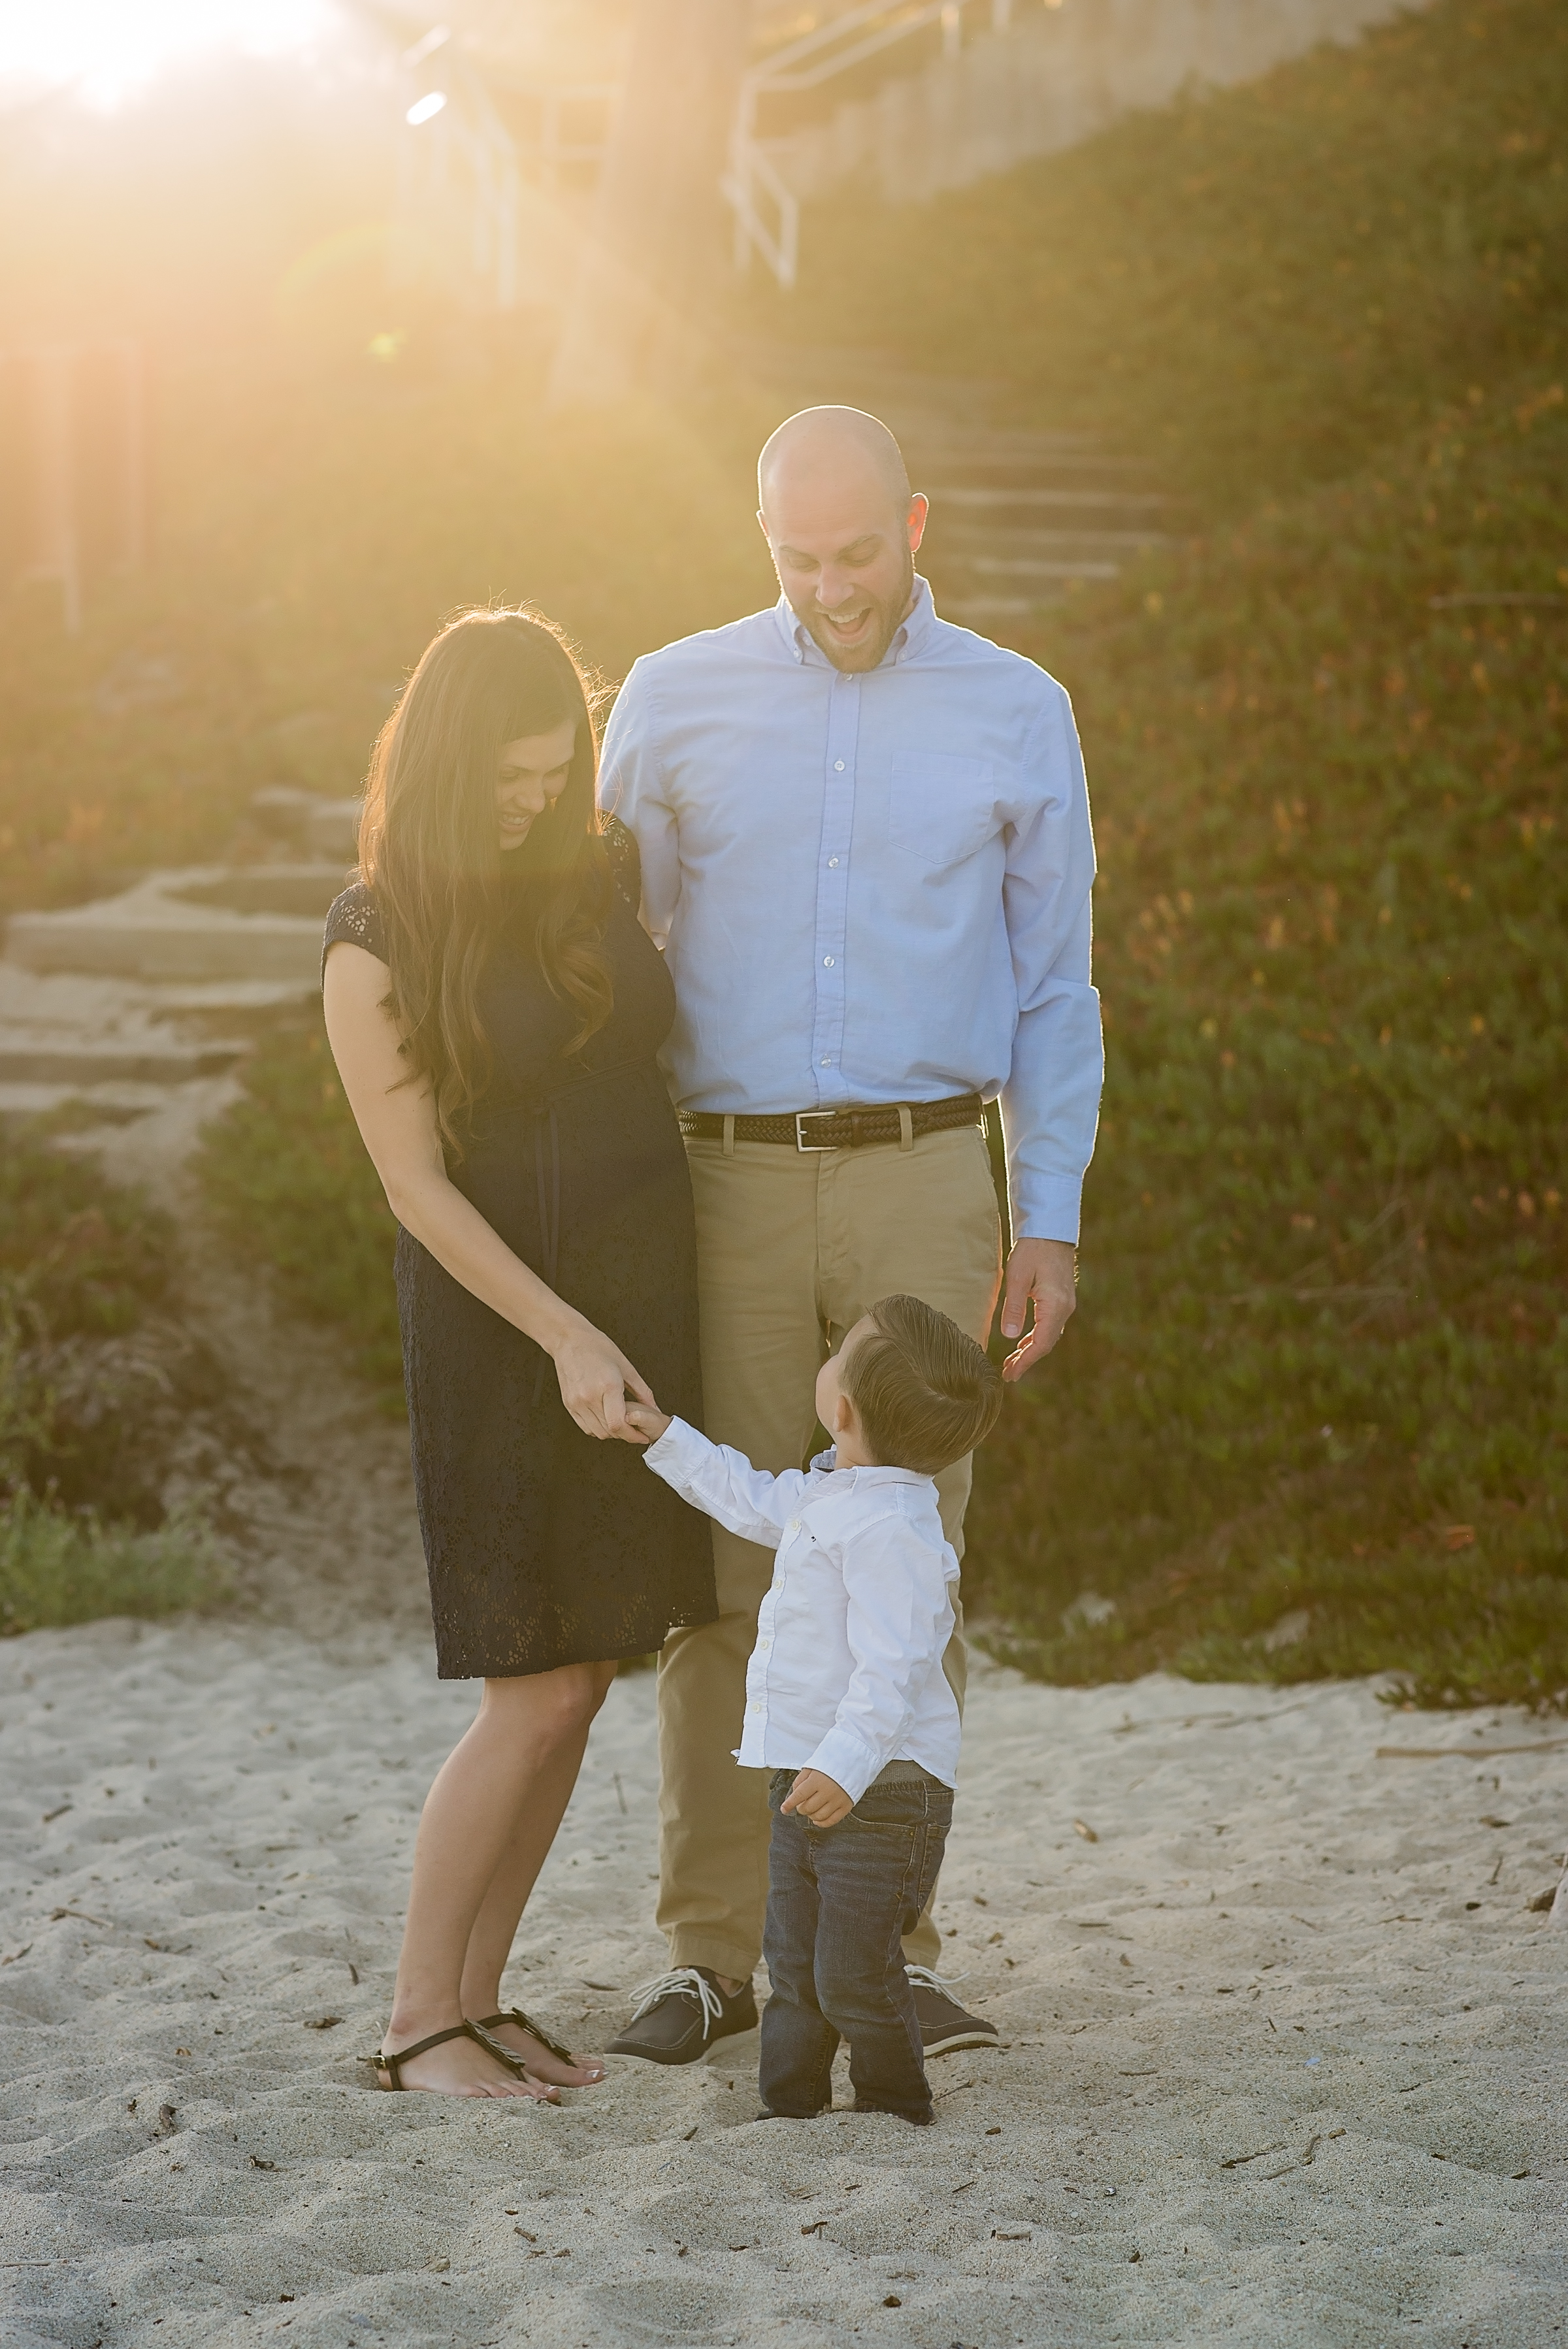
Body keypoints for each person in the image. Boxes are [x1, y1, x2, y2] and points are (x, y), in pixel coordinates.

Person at [600, 404, 1102, 2069]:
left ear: (915, 519)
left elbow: (1052, 990)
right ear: (765, 540)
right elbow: (609, 956)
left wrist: (1050, 1215)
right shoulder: (669, 698)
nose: (830, 587)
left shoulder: (1017, 708)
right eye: (797, 558)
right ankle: (713, 1955)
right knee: (726, 1573)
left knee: (900, 1564)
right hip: (720, 1175)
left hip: (923, 1176)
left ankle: (882, 1943)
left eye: (857, 552)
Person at [322, 608, 715, 2098]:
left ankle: (481, 2000)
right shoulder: (373, 933)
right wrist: (562, 1333)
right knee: (530, 1685)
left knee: (589, 1668)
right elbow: (414, 1185)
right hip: (507, 1331)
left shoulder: (590, 873)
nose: (529, 799)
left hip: (633, 1309)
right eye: (503, 776)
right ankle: (419, 2017)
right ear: (438, 762)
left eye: (553, 773)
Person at [620, 1295, 1003, 2124]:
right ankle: (788, 2107)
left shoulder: (895, 1529)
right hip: (806, 1775)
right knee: (792, 1962)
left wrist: (844, 1764)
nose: (828, 1352)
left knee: (853, 1972)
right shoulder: (834, 1490)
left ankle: (894, 2103)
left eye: (844, 1350)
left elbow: (895, 1669)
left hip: (883, 1790)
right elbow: (747, 1495)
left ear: (842, 1407)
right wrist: (668, 1438)